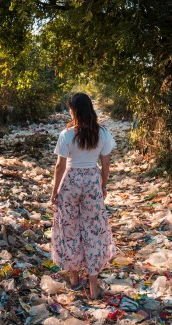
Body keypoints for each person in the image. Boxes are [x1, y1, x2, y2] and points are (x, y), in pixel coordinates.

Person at [51, 93, 116, 299]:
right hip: (91, 181)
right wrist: (103, 185)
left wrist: (54, 190)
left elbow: (60, 166)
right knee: (93, 230)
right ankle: (94, 285)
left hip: (70, 182)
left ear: (74, 111)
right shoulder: (102, 133)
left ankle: (74, 278)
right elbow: (106, 164)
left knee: (69, 228)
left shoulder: (67, 134)